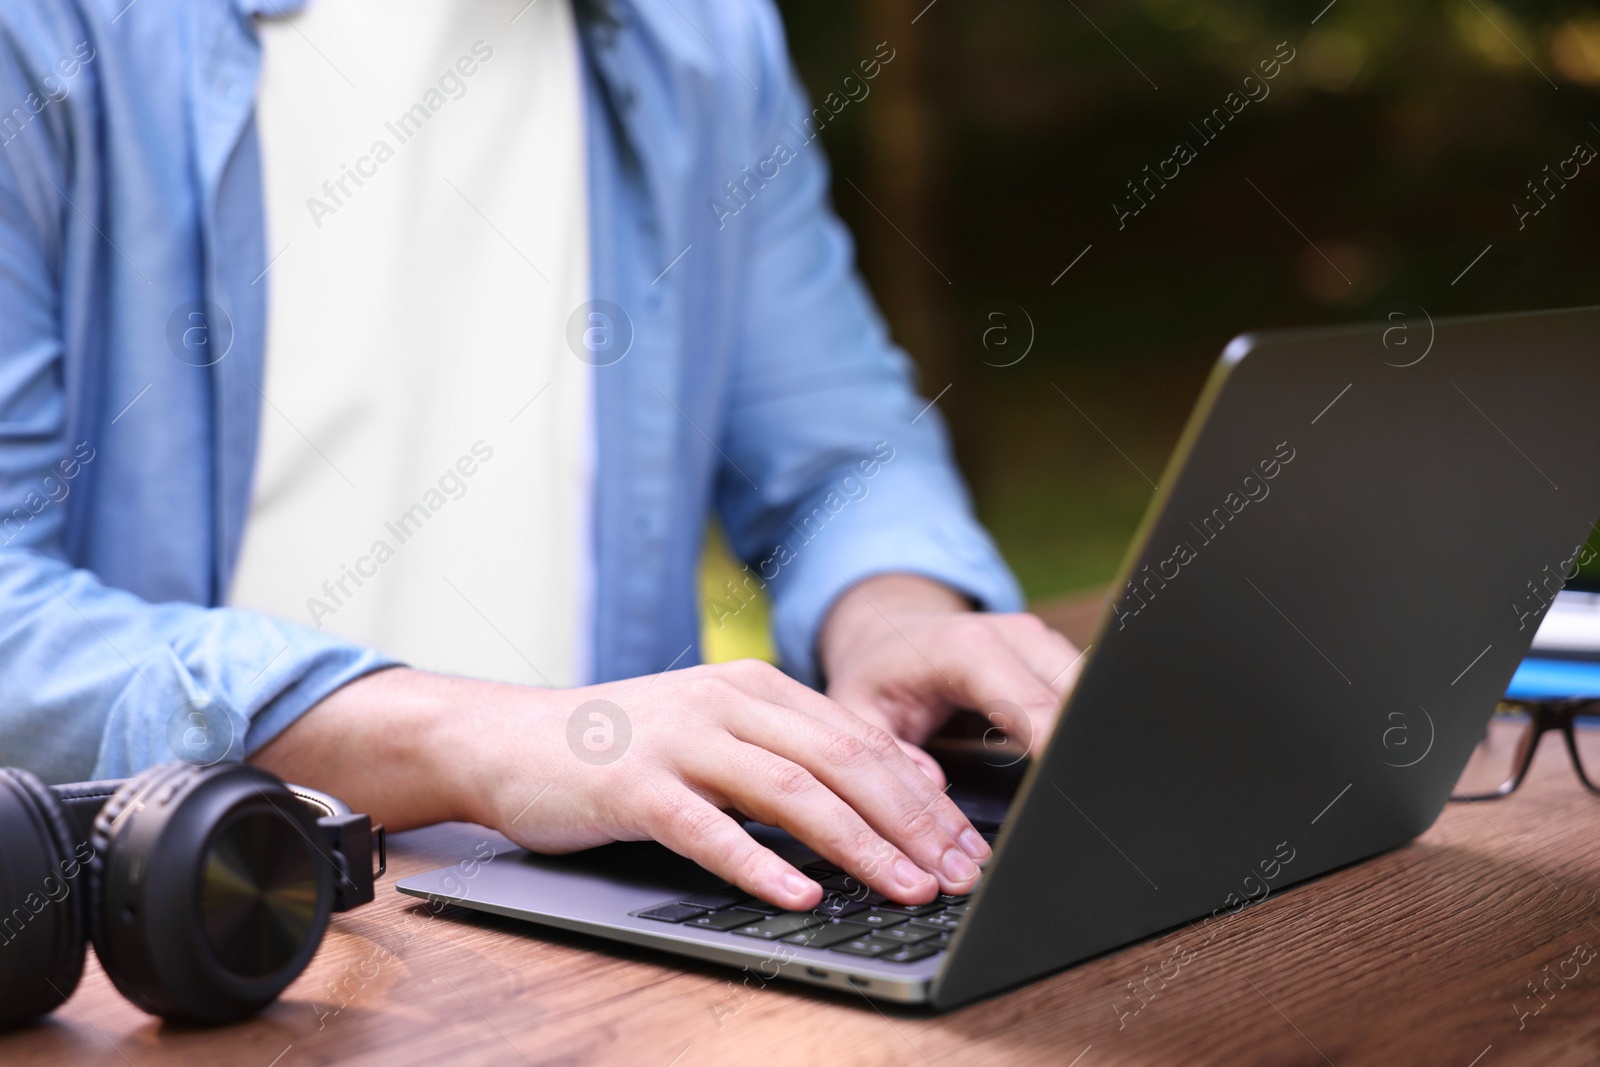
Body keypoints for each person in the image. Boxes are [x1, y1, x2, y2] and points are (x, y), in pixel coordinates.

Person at [0, 0, 1080, 910]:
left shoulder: (701, 34)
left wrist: (891, 609)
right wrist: (483, 742)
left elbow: (840, 445)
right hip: (210, 938)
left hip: (609, 937)